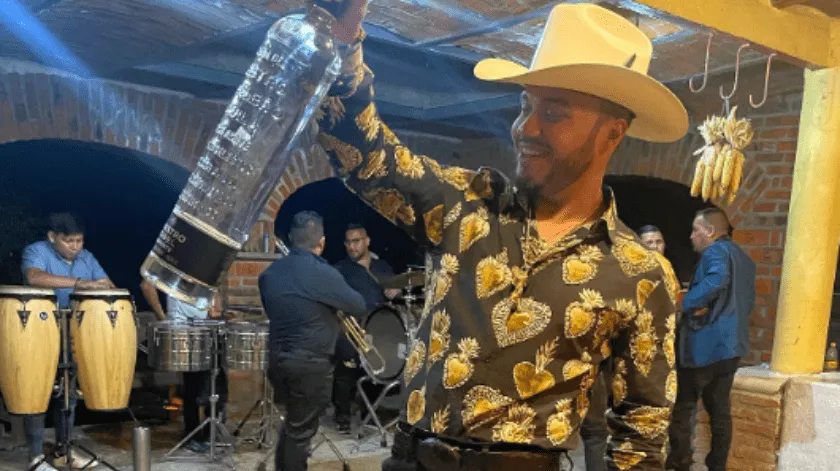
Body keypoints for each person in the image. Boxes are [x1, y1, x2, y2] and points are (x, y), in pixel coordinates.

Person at [316, 2, 687, 469]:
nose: (525, 128)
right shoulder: (464, 204)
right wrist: (344, 42)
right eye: (525, 106)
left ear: (612, 134)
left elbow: (642, 431)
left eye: (553, 113)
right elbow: (366, 159)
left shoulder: (640, 273)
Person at [259, 211, 367, 471]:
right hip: (310, 364)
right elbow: (358, 305)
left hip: (277, 362)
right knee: (300, 432)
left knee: (293, 425)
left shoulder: (269, 274)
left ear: (291, 238)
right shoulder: (323, 273)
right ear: (322, 242)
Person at [20, 212, 113, 470]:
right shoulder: (36, 251)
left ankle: (64, 451)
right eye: (68, 241)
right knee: (36, 391)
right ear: (52, 237)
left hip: (74, 331)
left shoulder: (87, 257)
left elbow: (107, 285)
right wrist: (81, 283)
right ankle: (36, 457)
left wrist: (105, 287)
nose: (75, 247)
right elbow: (34, 277)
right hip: (40, 330)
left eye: (79, 241)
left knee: (69, 394)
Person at [667, 208, 755, 471]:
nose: (691, 236)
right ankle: (717, 466)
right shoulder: (744, 258)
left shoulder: (715, 252)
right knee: (720, 412)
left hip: (703, 346)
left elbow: (717, 280)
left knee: (684, 409)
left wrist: (685, 303)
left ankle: (680, 464)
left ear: (710, 231)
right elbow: (744, 300)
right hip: (731, 346)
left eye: (696, 230)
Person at [139, 279, 228, 453]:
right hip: (184, 332)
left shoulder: (207, 272)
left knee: (217, 382)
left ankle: (211, 434)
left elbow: (216, 303)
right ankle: (192, 435)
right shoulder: (176, 269)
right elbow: (146, 285)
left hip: (206, 330)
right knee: (194, 386)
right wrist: (163, 317)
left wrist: (215, 304)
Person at [332, 223, 400, 433]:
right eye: (348, 242)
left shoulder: (383, 268)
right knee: (346, 373)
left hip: (378, 329)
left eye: (356, 241)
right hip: (351, 329)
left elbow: (396, 291)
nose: (352, 247)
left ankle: (369, 415)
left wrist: (396, 290)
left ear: (367, 241)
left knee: (375, 373)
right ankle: (342, 417)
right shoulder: (340, 269)